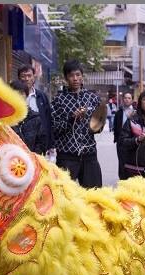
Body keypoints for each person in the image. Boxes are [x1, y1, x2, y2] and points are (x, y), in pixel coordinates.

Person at [50, 59, 102, 188]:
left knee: (94, 195)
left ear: (82, 76)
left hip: (89, 154)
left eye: (78, 75)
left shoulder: (93, 98)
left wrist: (98, 125)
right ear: (66, 78)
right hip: (67, 156)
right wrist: (72, 118)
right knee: (64, 196)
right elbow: (54, 129)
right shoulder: (58, 100)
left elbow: (97, 127)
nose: (75, 78)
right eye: (71, 75)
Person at [18, 65, 53, 152]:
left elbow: (48, 120)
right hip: (18, 144)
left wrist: (49, 144)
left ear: (34, 77)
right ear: (19, 78)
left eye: (29, 76)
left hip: (39, 144)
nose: (26, 79)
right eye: (23, 76)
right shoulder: (13, 95)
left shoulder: (41, 96)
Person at [9, 80, 47, 155]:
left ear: (26, 95)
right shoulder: (5, 119)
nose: (18, 96)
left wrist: (33, 158)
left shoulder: (35, 118)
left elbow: (42, 142)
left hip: (31, 162)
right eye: (14, 93)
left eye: (21, 93)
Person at [113, 91, 135, 179]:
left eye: (129, 98)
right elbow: (115, 126)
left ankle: (131, 178)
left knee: (131, 160)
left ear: (132, 100)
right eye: (125, 98)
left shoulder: (135, 112)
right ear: (123, 100)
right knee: (121, 161)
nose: (127, 100)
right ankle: (122, 178)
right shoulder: (119, 113)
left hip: (132, 140)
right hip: (121, 141)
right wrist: (116, 138)